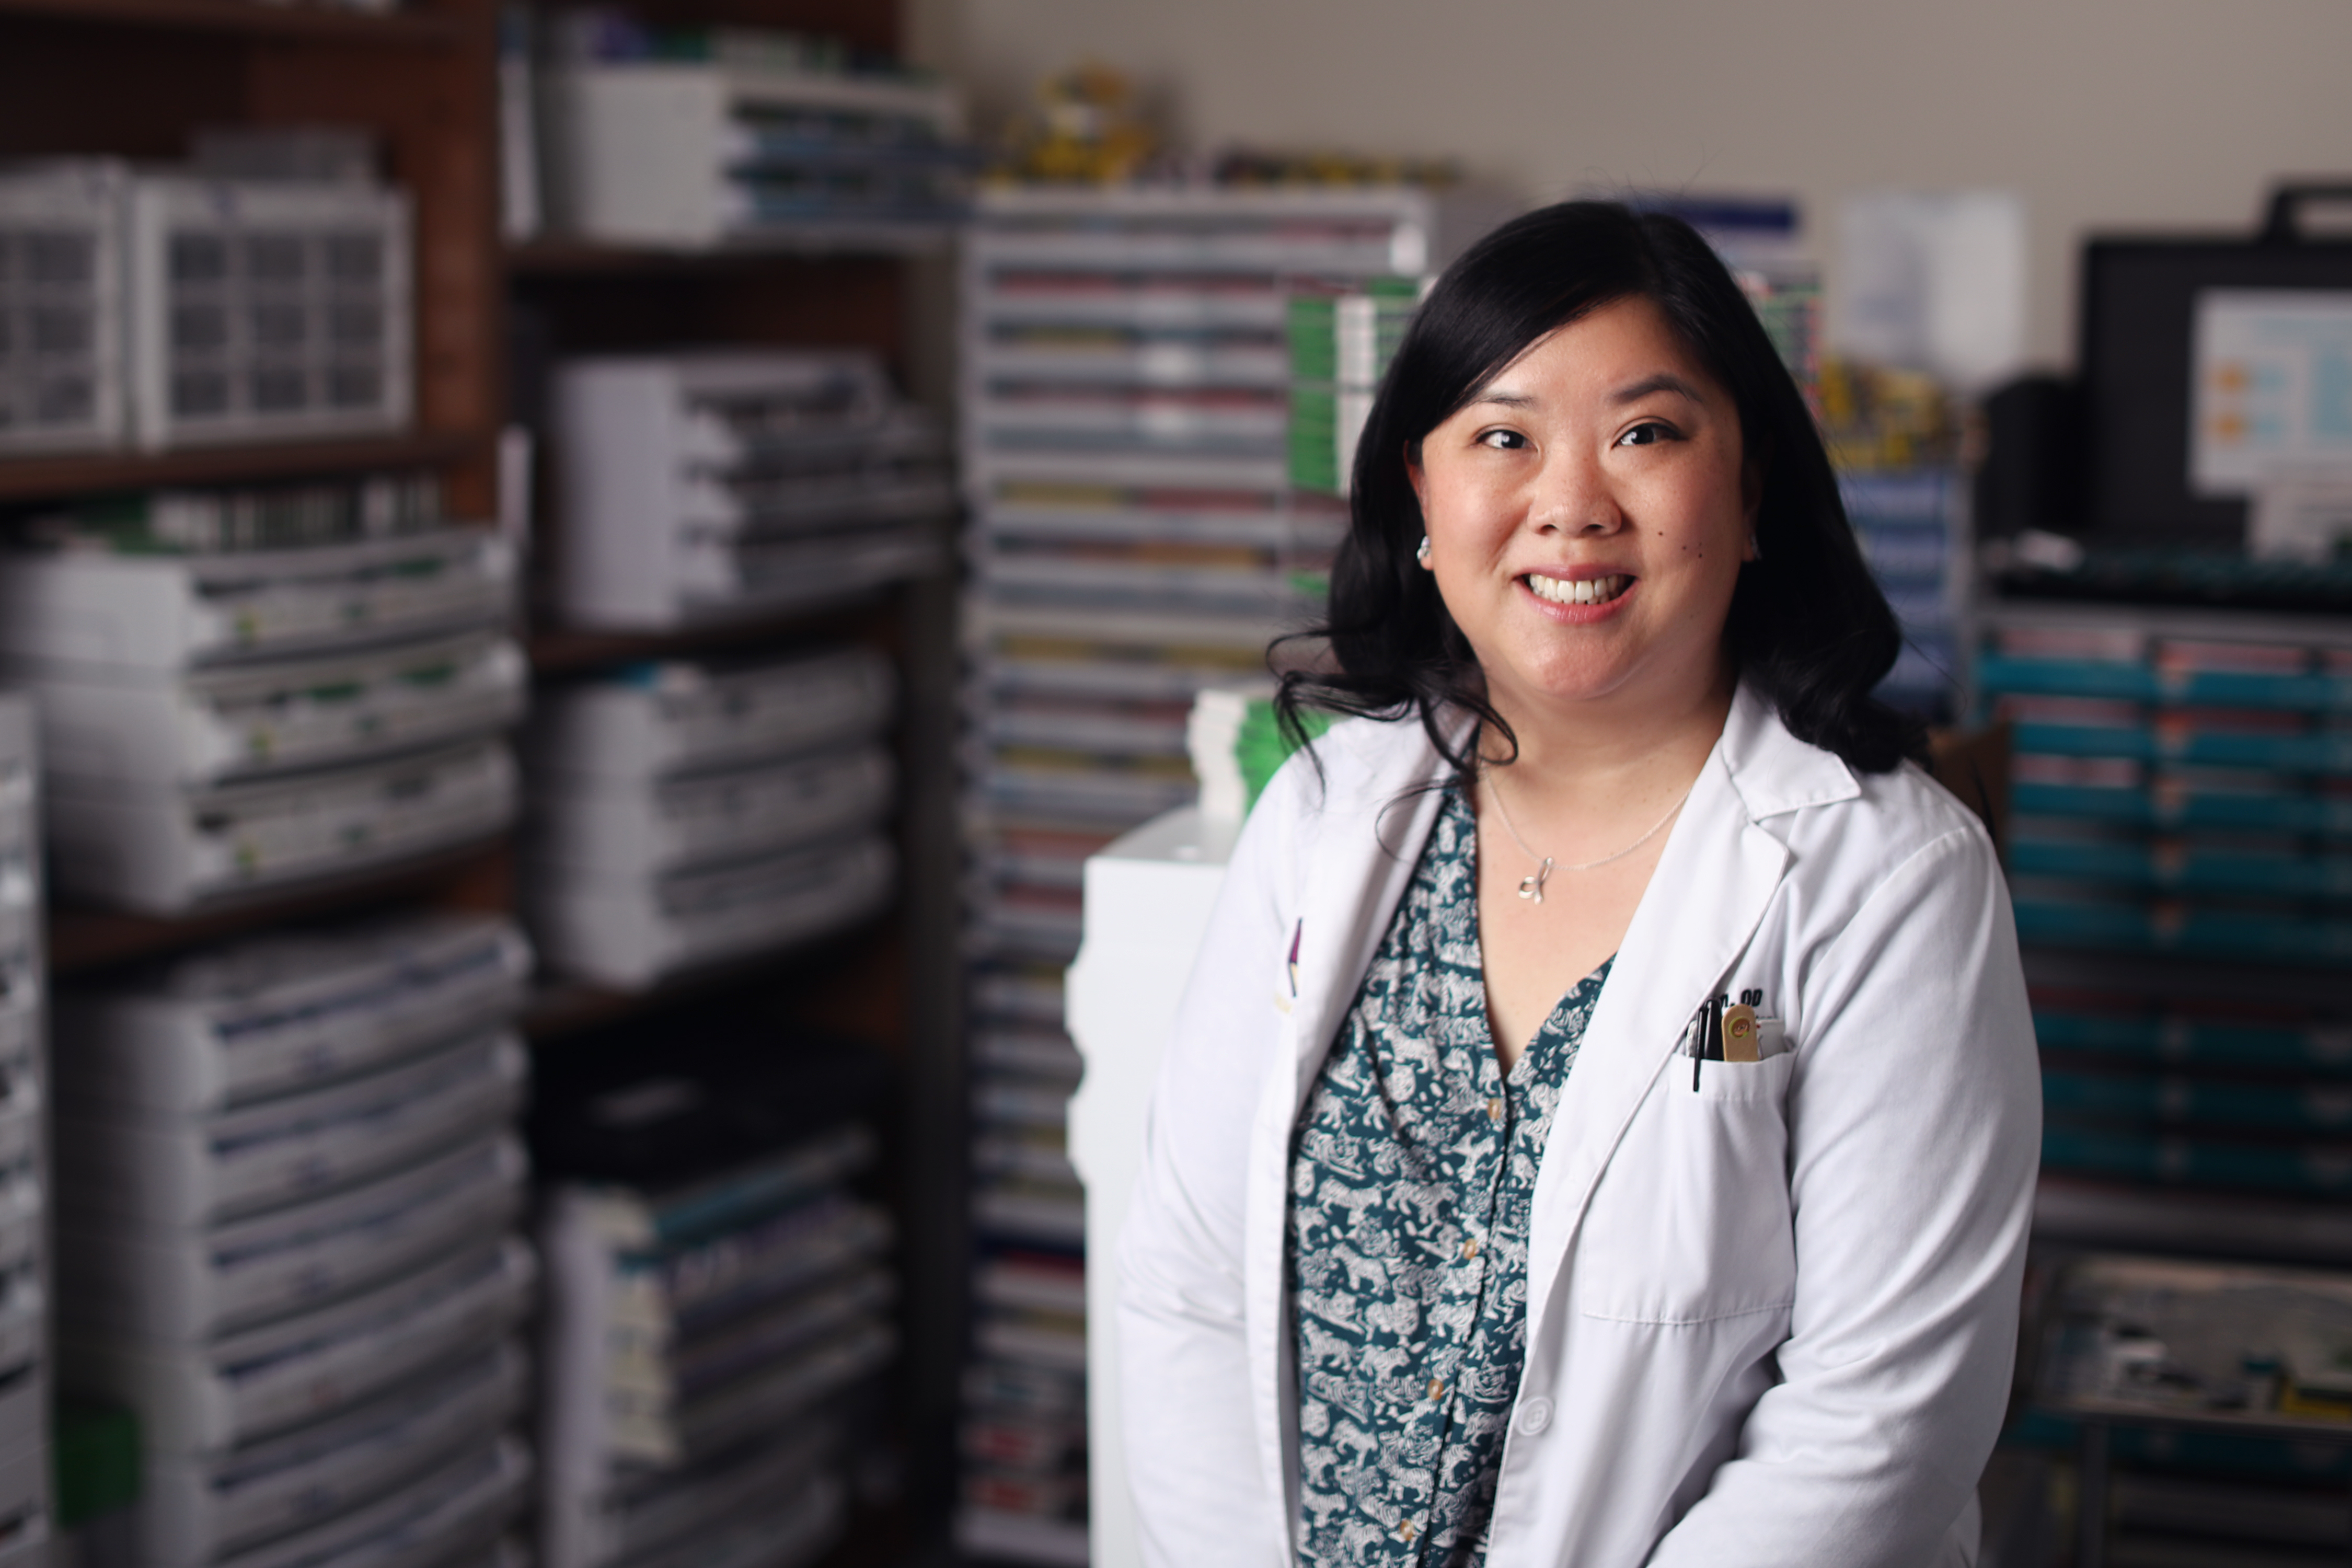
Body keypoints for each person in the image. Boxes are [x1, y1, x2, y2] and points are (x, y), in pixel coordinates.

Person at [1116, 201, 2040, 1568]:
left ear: (1749, 495)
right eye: (1502, 436)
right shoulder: (1324, 813)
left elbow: (1879, 1421)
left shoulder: (1882, 873)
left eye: (1644, 435)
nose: (1570, 504)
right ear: (1420, 502)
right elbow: (1190, 1281)